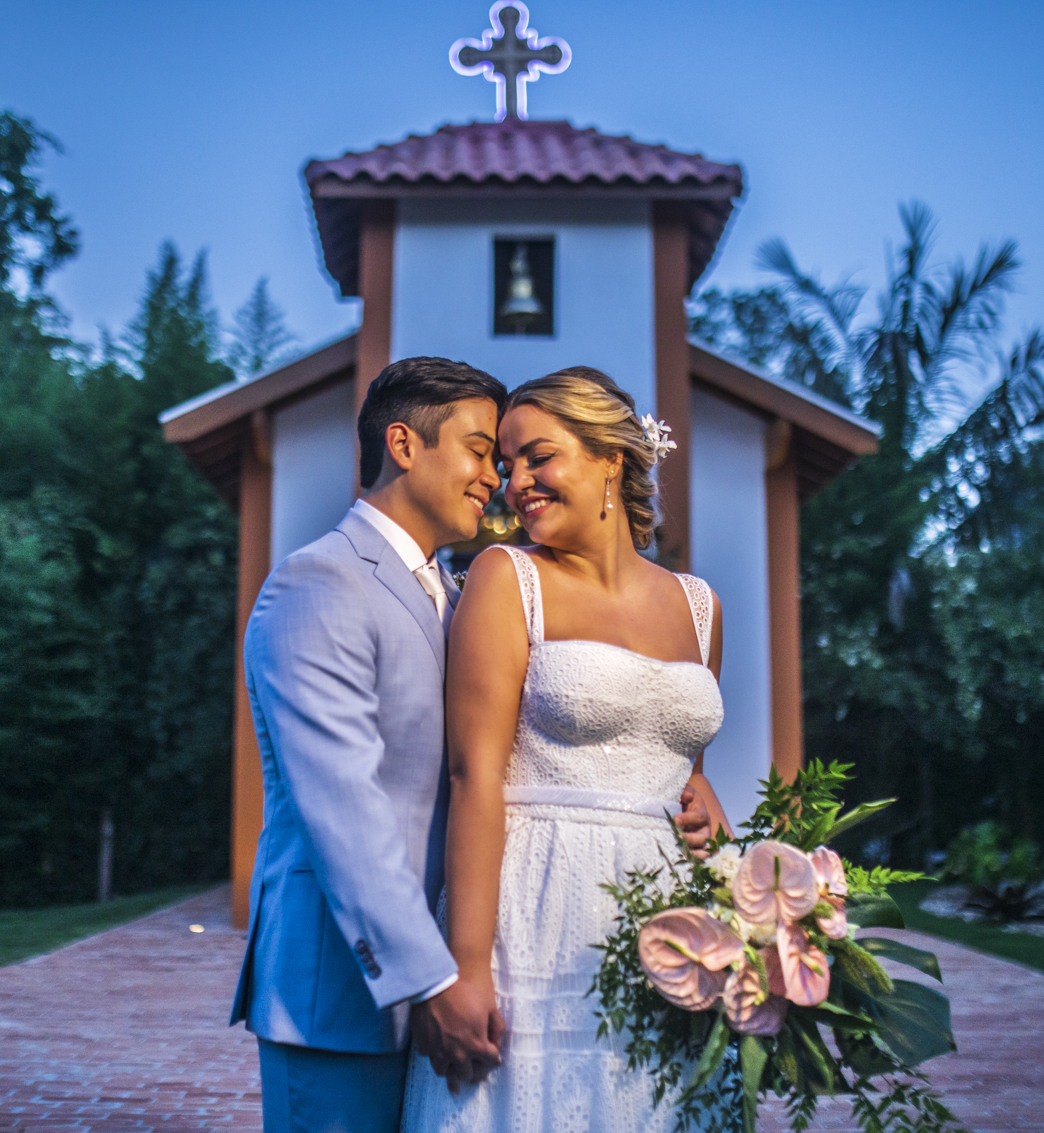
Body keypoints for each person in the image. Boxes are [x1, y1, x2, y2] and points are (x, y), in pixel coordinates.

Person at [232, 357, 717, 1133]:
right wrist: (438, 976)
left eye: (519, 456)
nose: (499, 477)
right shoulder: (319, 582)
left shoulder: (456, 593)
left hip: (516, 964)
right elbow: (342, 809)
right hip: (350, 991)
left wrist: (687, 780)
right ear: (403, 443)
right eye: (485, 450)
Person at [402, 366, 732, 1133]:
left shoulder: (701, 605)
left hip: (671, 924)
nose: (514, 482)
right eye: (507, 463)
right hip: (538, 914)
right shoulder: (504, 577)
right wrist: (467, 966)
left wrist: (702, 797)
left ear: (610, 457)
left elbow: (688, 772)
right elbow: (473, 773)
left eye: (536, 456)